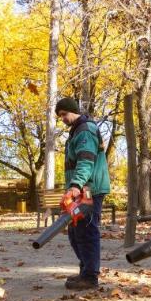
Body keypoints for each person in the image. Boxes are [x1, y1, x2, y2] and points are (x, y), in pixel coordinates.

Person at [55, 97, 111, 290]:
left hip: (89, 190)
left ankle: (90, 276)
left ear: (73, 111)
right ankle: (85, 270)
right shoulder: (77, 131)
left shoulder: (85, 130)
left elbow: (86, 161)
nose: (62, 118)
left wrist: (76, 184)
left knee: (86, 231)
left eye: (64, 114)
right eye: (59, 115)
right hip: (83, 189)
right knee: (74, 231)